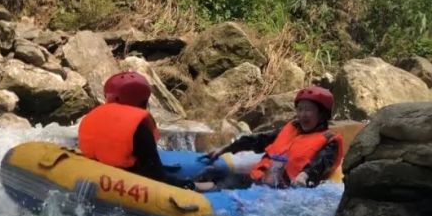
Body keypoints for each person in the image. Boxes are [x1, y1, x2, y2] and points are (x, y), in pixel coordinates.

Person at [198, 86, 345, 190]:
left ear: (321, 115)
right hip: (258, 180)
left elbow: (321, 162)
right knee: (210, 175)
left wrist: (305, 175)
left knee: (223, 185)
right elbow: (258, 140)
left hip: (281, 191)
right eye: (300, 109)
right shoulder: (291, 129)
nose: (302, 115)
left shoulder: (329, 142)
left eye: (308, 110)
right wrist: (226, 148)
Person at [78, 71, 196, 190]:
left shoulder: (90, 116)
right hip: (125, 186)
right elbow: (157, 178)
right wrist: (192, 185)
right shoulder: (139, 129)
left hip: (92, 178)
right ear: (143, 101)